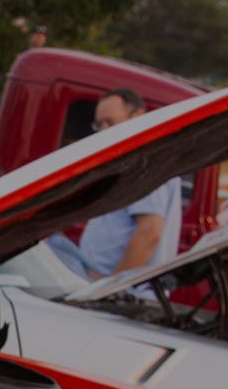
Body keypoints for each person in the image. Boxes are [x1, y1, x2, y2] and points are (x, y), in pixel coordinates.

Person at [68, 88, 181, 282]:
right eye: (99, 124)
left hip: (116, 293)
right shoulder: (129, 161)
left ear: (138, 117)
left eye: (110, 123)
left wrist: (110, 289)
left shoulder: (143, 163)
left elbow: (149, 232)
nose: (103, 131)